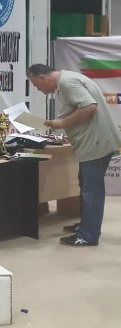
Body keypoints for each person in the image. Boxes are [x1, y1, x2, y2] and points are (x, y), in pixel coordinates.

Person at [27, 63, 120, 246]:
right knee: (86, 184)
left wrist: (62, 123)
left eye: (37, 85)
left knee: (91, 190)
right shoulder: (69, 78)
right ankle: (87, 225)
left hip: (95, 143)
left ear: (43, 78)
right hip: (96, 141)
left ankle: (88, 235)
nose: (39, 90)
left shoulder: (68, 82)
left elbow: (89, 107)